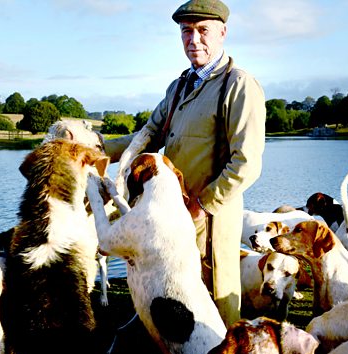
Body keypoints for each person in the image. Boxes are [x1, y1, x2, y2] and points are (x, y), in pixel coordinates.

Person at [105, 0, 266, 327]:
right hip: (172, 214)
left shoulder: (238, 85)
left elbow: (246, 163)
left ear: (223, 33)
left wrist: (202, 205)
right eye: (186, 31)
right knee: (175, 298)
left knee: (215, 304)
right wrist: (94, 149)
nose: (194, 39)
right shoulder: (179, 86)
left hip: (210, 218)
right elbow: (148, 135)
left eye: (203, 30)